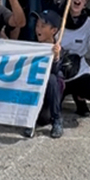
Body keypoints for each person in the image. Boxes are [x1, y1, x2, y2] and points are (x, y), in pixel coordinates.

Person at [25, 9, 67, 139]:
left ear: (53, 31)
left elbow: (57, 72)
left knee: (52, 78)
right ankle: (28, 119)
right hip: (35, 93)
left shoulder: (59, 50)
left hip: (50, 94)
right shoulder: (31, 47)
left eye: (43, 26)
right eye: (37, 25)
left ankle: (57, 119)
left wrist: (56, 57)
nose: (38, 29)